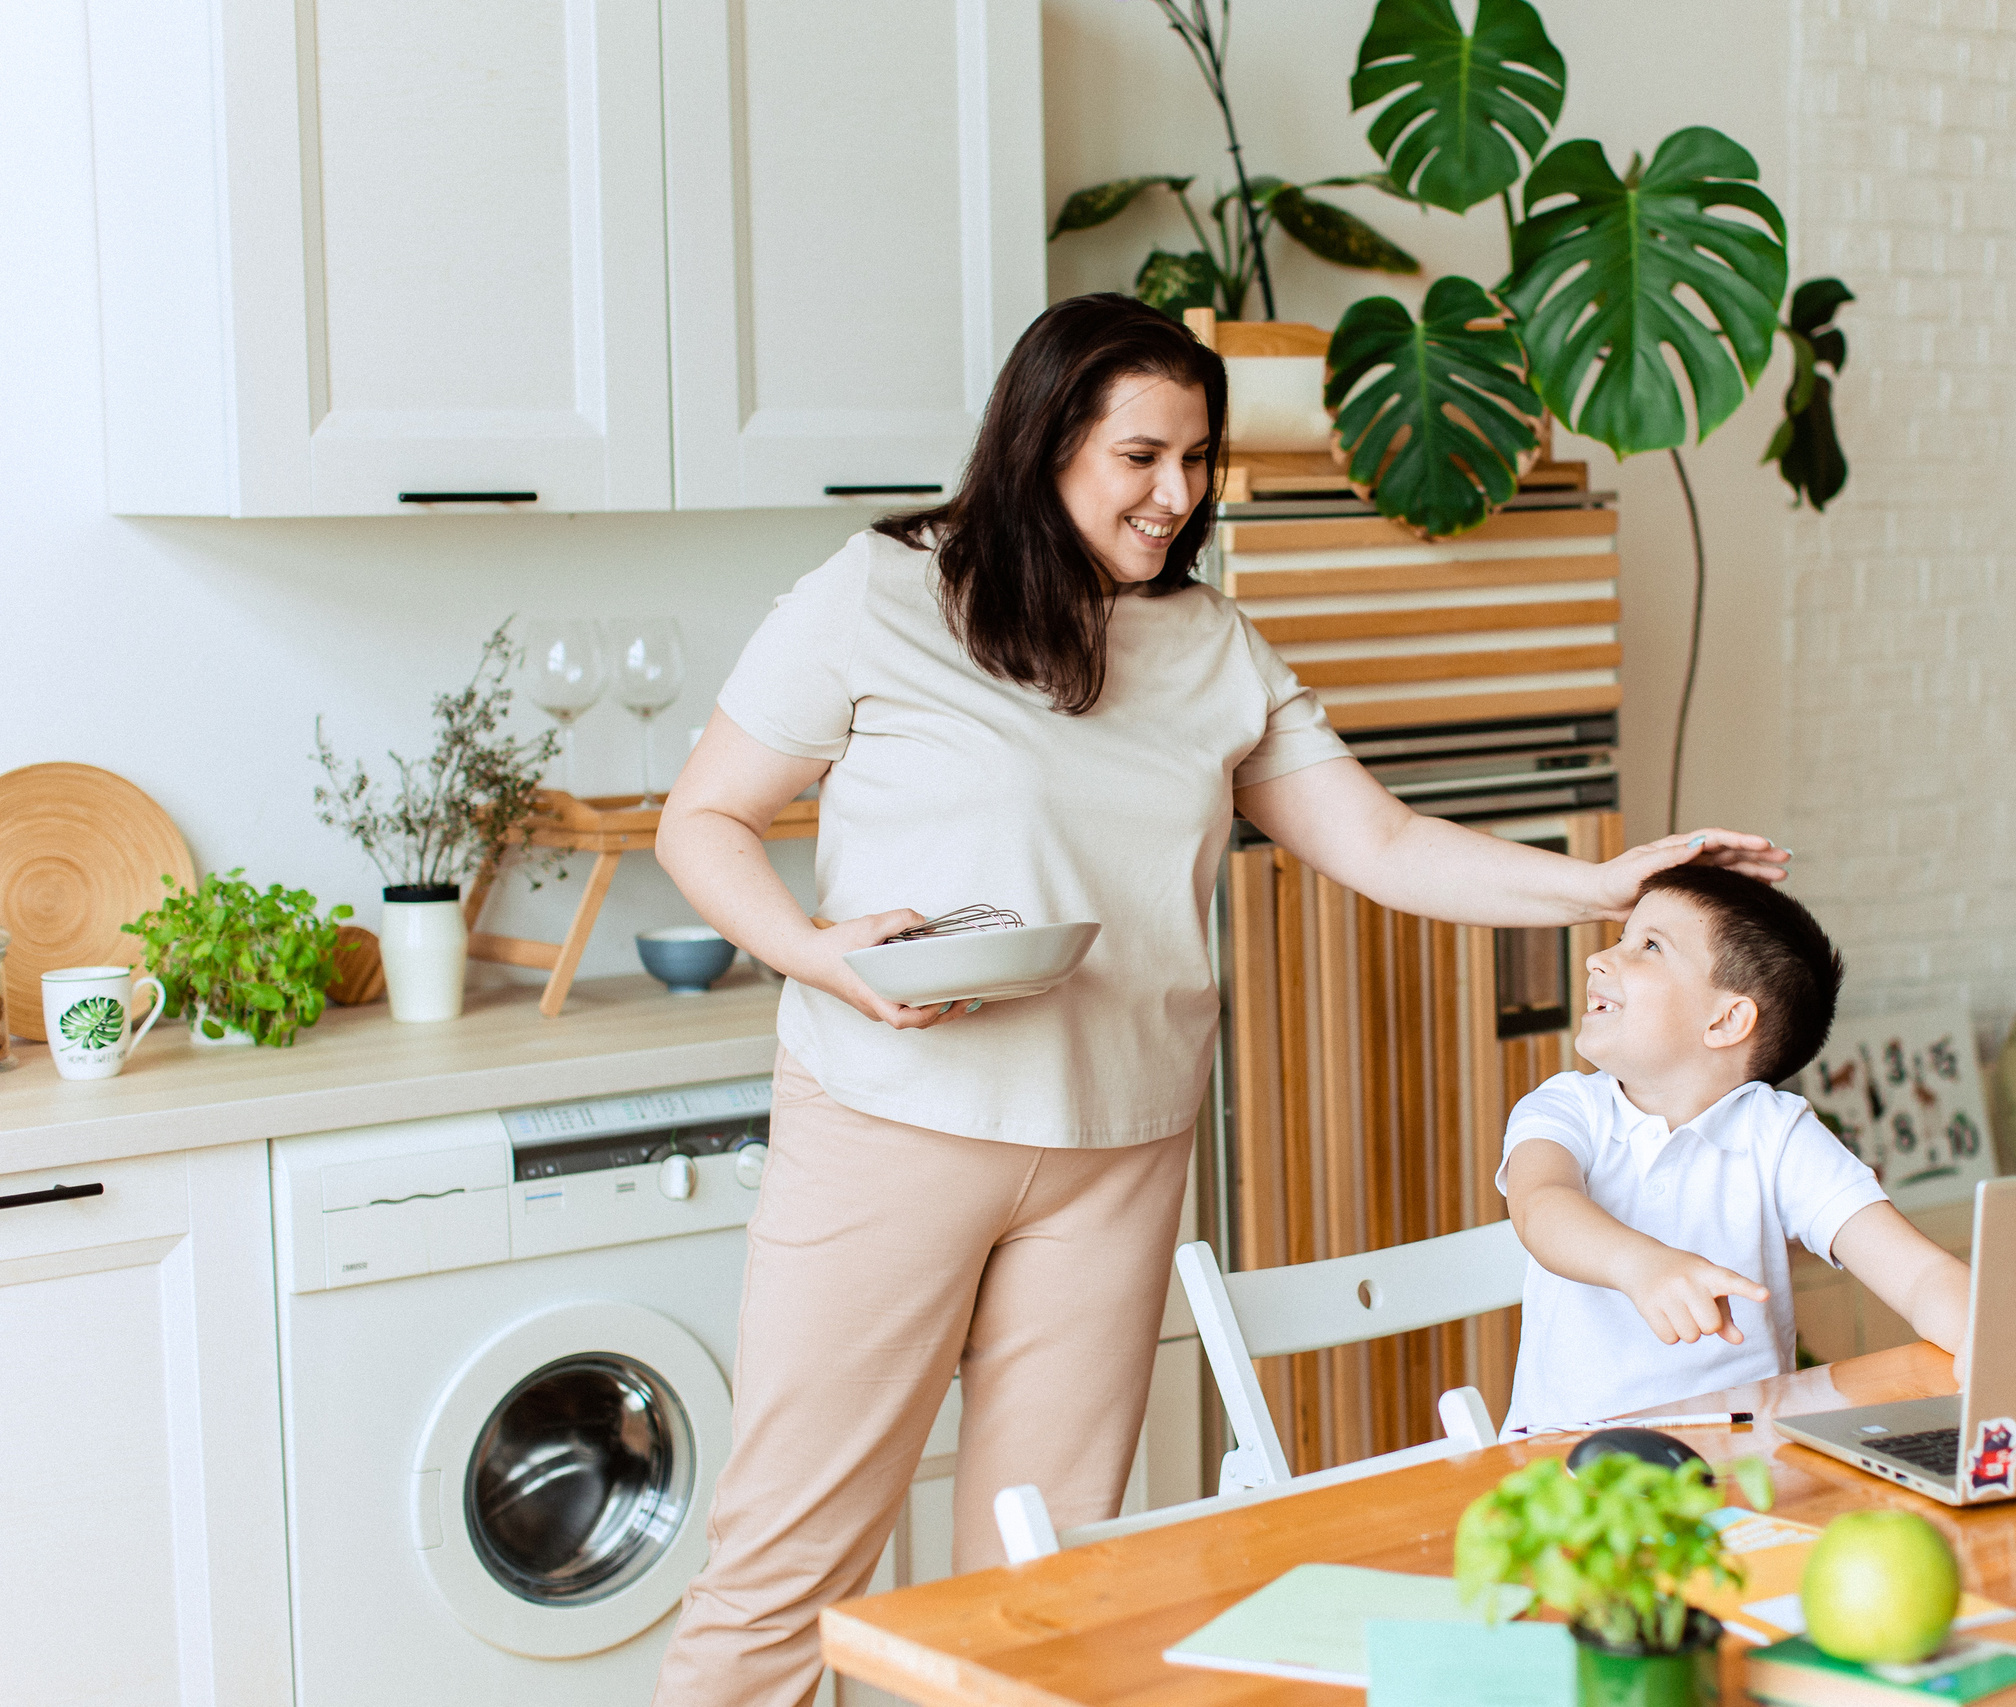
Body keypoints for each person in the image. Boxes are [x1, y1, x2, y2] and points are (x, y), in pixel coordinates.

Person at [648, 292, 1789, 1706]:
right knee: (783, 1569)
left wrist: (1608, 882)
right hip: (893, 1117)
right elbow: (702, 819)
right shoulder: (878, 592)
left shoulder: (1210, 645)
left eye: (1196, 459)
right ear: (1045, 438)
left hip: (1118, 1148)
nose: (1175, 494)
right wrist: (820, 951)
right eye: (1140, 456)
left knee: (1042, 1583)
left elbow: (1381, 842)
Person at [1498, 864, 1970, 1432]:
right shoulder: (1566, 1107)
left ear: (1725, 1020)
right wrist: (1642, 1266)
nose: (1601, 958)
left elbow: (1918, 1276)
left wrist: (1986, 1337)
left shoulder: (1777, 1135)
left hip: (1739, 1455)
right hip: (1565, 1461)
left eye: (1649, 946)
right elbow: (1540, 1206)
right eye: (1622, 938)